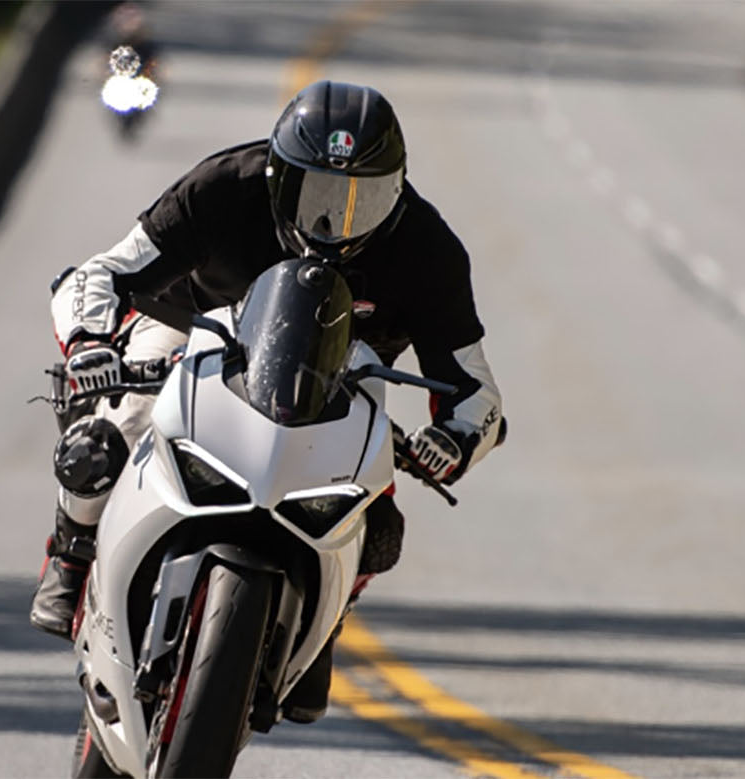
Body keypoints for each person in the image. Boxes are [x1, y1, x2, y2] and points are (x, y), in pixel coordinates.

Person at [31, 80, 505, 724]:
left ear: (398, 187)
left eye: (365, 199)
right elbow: (106, 270)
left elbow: (474, 387)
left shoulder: (428, 248)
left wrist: (452, 440)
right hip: (194, 331)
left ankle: (324, 623)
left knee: (379, 526)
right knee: (112, 431)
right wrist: (91, 341)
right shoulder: (223, 185)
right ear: (278, 175)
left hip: (338, 374)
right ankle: (72, 545)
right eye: (318, 193)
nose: (338, 219)